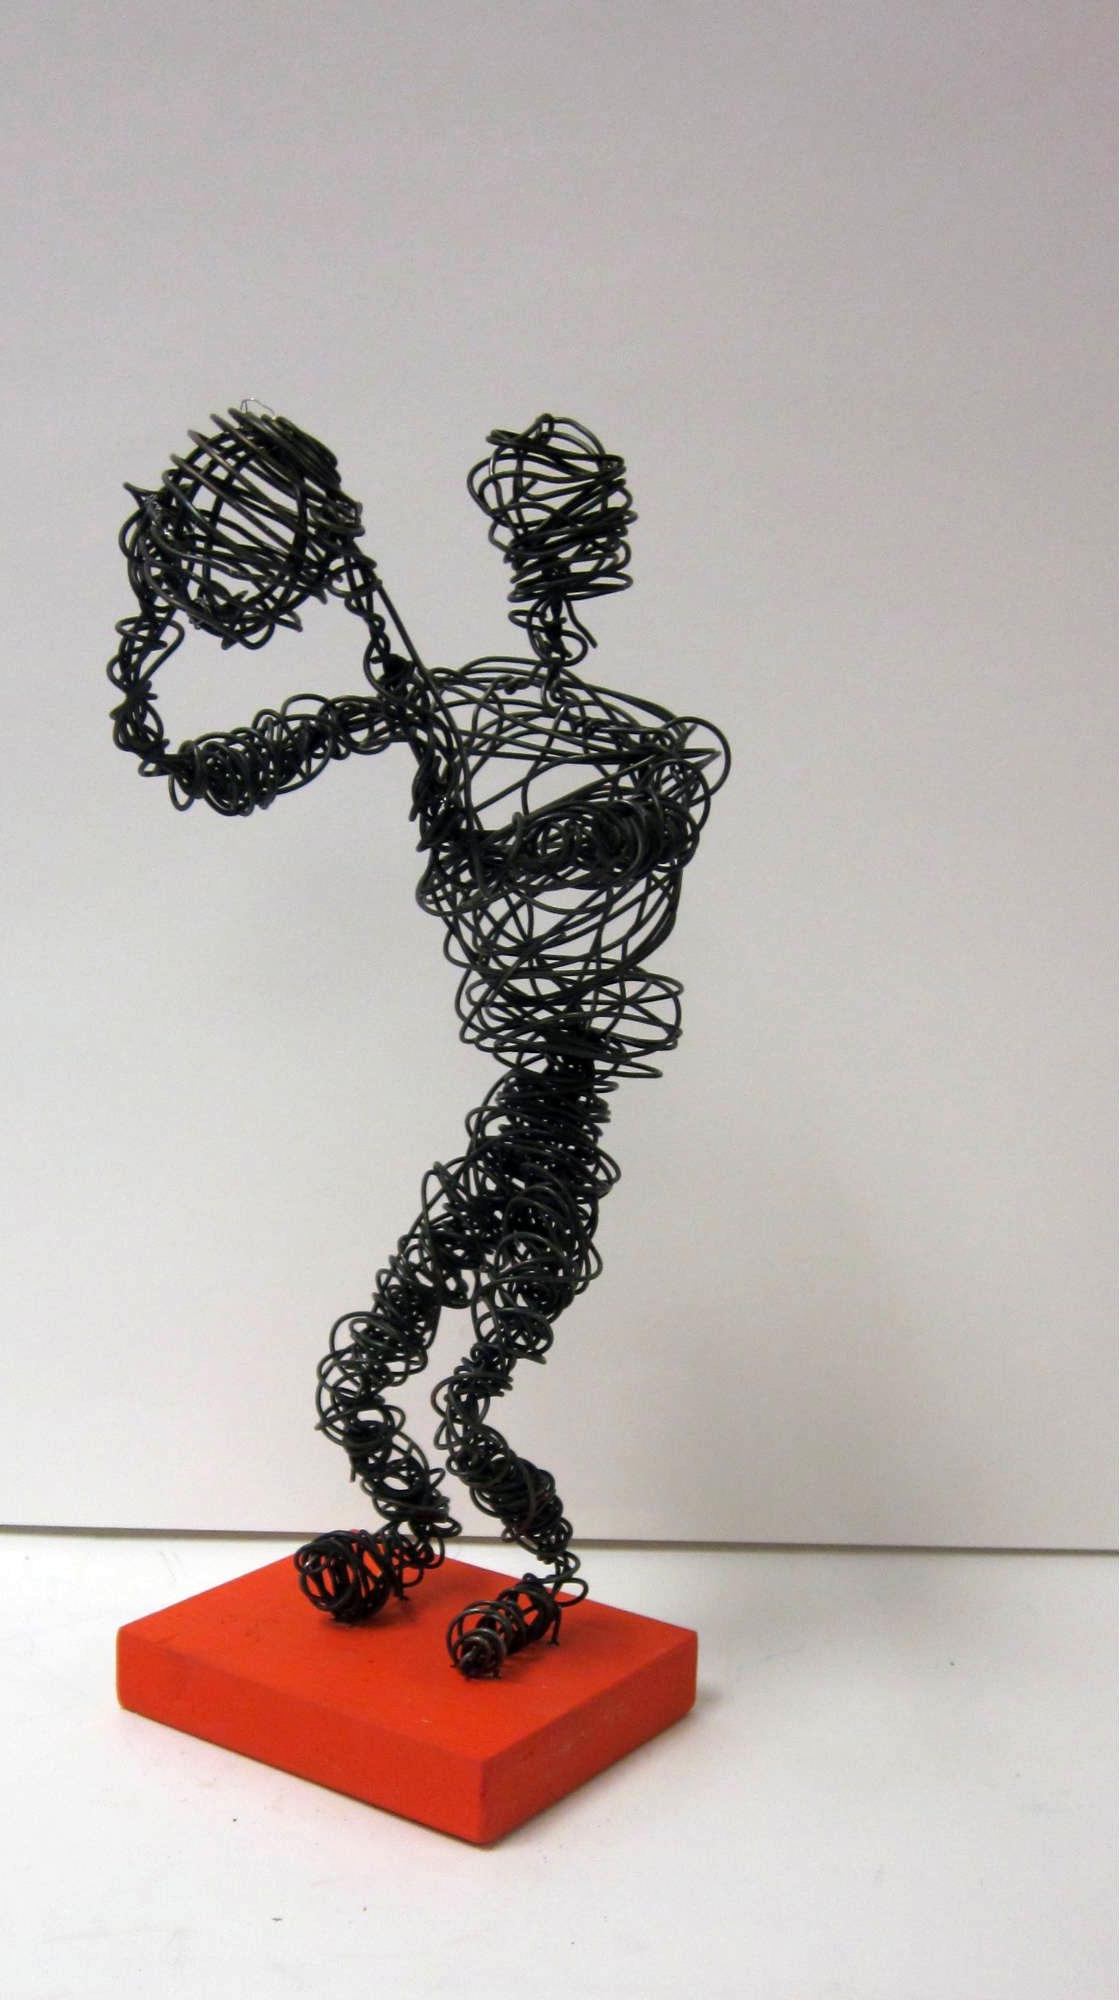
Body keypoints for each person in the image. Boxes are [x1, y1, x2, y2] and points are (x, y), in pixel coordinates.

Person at [107, 406, 729, 1677]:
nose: (549, 575)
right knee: (361, 1387)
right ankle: (411, 1531)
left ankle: (541, 1576)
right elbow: (259, 755)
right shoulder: (448, 709)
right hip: (519, 1130)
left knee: (471, 1400)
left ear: (586, 557)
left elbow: (649, 819)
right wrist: (153, 686)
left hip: (553, 1135)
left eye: (568, 545)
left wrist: (495, 846)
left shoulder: (644, 749)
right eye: (539, 543)